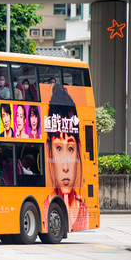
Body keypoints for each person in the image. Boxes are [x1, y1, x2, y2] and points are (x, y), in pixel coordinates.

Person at [45, 84, 88, 232]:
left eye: (70, 149)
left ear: (78, 152)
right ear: (49, 153)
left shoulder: (85, 212)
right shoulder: (44, 206)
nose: (65, 167)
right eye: (58, 148)